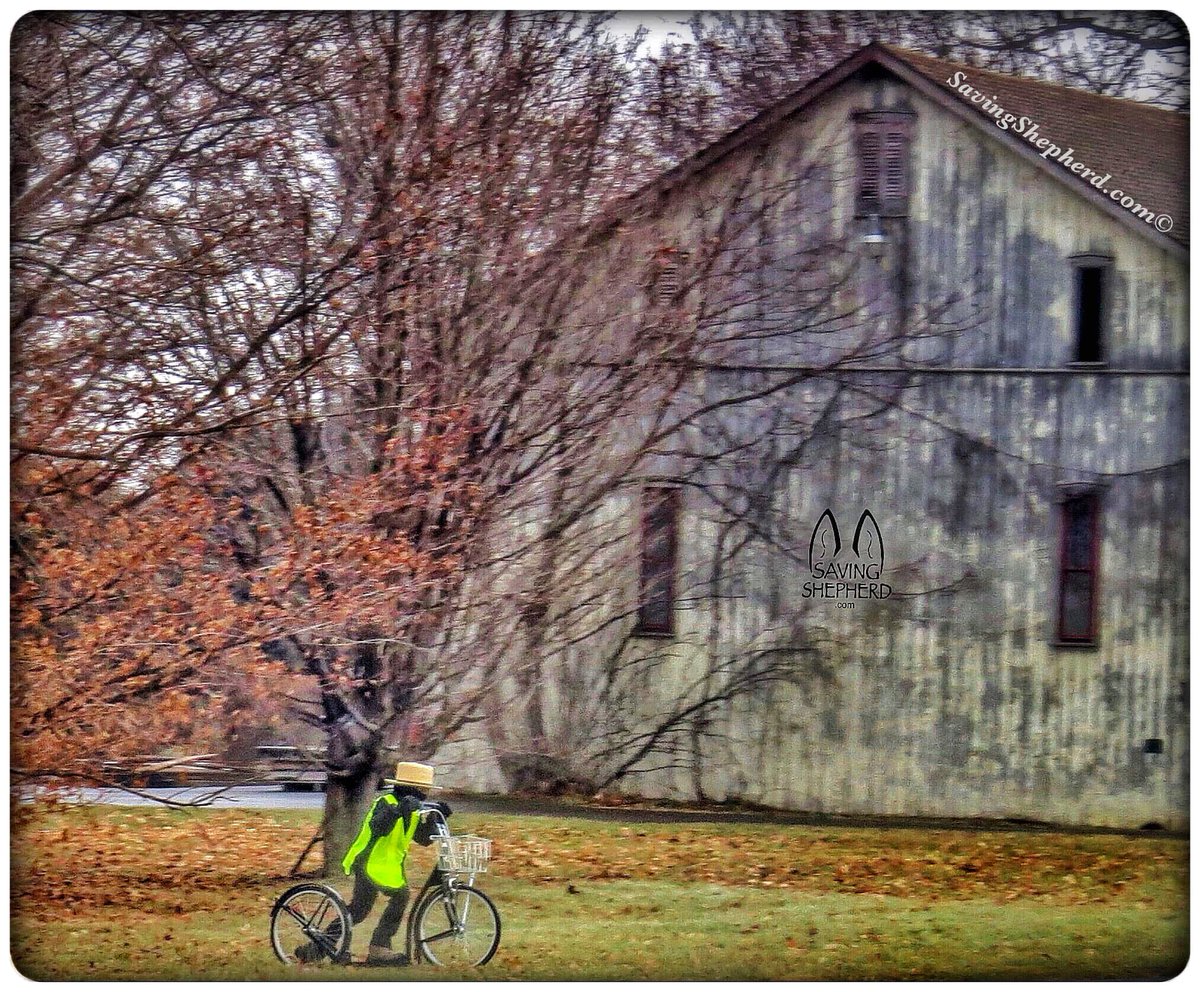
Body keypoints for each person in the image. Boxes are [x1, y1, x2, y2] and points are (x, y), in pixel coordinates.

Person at [297, 761, 450, 965]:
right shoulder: (386, 802)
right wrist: (398, 811)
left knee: (360, 909)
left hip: (388, 866)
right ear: (411, 787)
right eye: (423, 789)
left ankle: (321, 947)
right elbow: (379, 826)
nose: (425, 793)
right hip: (368, 861)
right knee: (375, 905)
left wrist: (435, 819)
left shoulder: (413, 810)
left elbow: (423, 839)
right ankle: (378, 947)